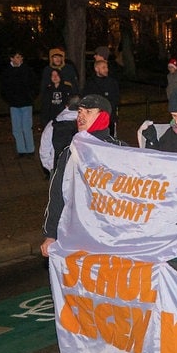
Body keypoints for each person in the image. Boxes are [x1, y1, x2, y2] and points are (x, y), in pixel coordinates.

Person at [42, 95, 126, 257]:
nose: (81, 116)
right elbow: (58, 195)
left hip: (112, 238)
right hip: (78, 236)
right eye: (80, 111)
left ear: (103, 116)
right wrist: (50, 235)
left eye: (88, 111)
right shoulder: (70, 153)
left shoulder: (120, 150)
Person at [0, 50, 38, 156]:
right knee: (16, 129)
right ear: (11, 58)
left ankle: (30, 150)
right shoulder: (7, 72)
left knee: (27, 127)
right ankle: (21, 150)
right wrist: (9, 99)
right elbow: (3, 88)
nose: (20, 59)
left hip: (26, 103)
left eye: (20, 57)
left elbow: (34, 85)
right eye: (17, 57)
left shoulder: (27, 70)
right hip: (14, 104)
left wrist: (31, 96)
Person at [82, 59, 120, 137]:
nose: (106, 70)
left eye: (106, 67)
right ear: (96, 69)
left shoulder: (112, 82)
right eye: (103, 68)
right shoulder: (90, 83)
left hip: (109, 117)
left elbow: (116, 99)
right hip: (94, 118)